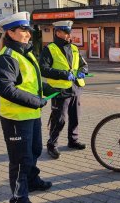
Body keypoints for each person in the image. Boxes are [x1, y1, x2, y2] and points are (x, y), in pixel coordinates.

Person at [0, 12, 54, 203]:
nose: (28, 33)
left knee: (34, 151)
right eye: (24, 29)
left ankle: (32, 181)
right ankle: (19, 197)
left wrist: (52, 89)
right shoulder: (7, 57)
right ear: (10, 33)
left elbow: (31, 84)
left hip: (31, 114)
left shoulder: (25, 53)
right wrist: (37, 101)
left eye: (29, 29)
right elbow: (5, 87)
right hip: (16, 119)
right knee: (20, 160)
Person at [39, 20, 88, 159]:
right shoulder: (49, 49)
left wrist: (82, 71)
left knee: (75, 117)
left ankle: (73, 141)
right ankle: (52, 145)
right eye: (66, 32)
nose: (68, 35)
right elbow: (43, 69)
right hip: (60, 90)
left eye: (69, 32)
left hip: (75, 88)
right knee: (59, 120)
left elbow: (83, 65)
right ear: (58, 32)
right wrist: (64, 74)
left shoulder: (74, 48)